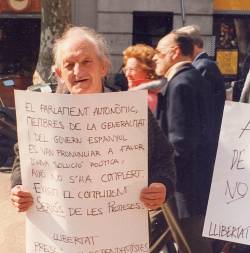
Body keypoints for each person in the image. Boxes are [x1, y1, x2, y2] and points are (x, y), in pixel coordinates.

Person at [10, 27, 175, 217]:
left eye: (86, 62)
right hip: (60, 234)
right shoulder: (43, 115)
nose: (77, 71)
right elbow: (23, 158)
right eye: (69, 65)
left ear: (103, 67)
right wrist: (18, 186)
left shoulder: (131, 111)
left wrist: (161, 185)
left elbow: (164, 156)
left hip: (119, 229)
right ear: (59, 73)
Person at [153, 31, 213, 253]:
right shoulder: (193, 78)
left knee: (192, 244)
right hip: (192, 181)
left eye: (159, 52)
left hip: (183, 185)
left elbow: (181, 142)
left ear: (175, 52)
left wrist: (164, 175)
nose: (154, 58)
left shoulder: (180, 84)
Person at [177, 25, 226, 168]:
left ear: (192, 45)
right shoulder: (203, 65)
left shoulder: (202, 66)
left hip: (205, 144)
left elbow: (202, 109)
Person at [122, 44, 161, 112]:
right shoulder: (133, 94)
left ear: (148, 72)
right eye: (126, 69)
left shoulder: (147, 99)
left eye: (132, 69)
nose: (127, 74)